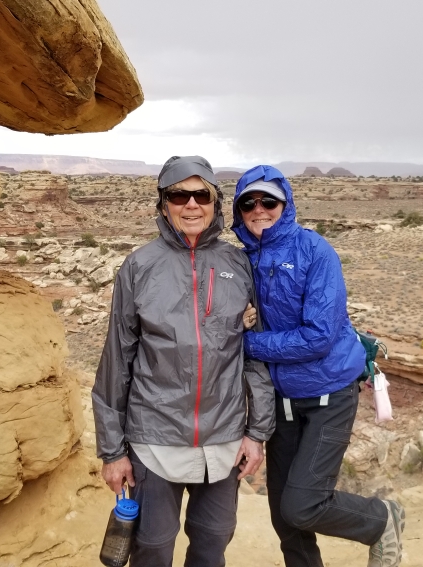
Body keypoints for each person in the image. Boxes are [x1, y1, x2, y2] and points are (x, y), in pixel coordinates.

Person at [92, 156, 275, 566]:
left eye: (201, 195)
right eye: (179, 194)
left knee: (213, 541)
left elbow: (254, 356)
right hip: (153, 438)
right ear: (163, 204)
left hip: (224, 439)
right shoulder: (139, 266)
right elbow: (115, 363)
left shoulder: (237, 264)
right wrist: (112, 452)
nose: (191, 204)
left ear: (215, 202)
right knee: (153, 546)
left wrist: (257, 433)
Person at [231, 165, 406, 567]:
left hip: (328, 393)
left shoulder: (315, 251)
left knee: (303, 505)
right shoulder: (241, 261)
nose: (260, 209)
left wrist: (247, 343)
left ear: (285, 204)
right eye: (249, 203)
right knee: (284, 517)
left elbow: (318, 336)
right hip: (282, 400)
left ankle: (380, 519)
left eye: (268, 201)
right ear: (239, 211)